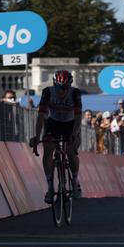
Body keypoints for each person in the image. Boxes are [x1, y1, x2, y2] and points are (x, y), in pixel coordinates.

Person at [30, 70, 83, 204]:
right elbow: (41, 116)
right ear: (54, 85)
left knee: (71, 151)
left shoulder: (75, 93)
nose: (62, 91)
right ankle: (50, 186)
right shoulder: (48, 92)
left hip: (71, 124)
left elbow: (78, 118)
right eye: (59, 88)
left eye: (65, 88)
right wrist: (37, 136)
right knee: (48, 148)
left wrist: (74, 135)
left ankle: (75, 180)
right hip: (53, 123)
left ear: (69, 86)